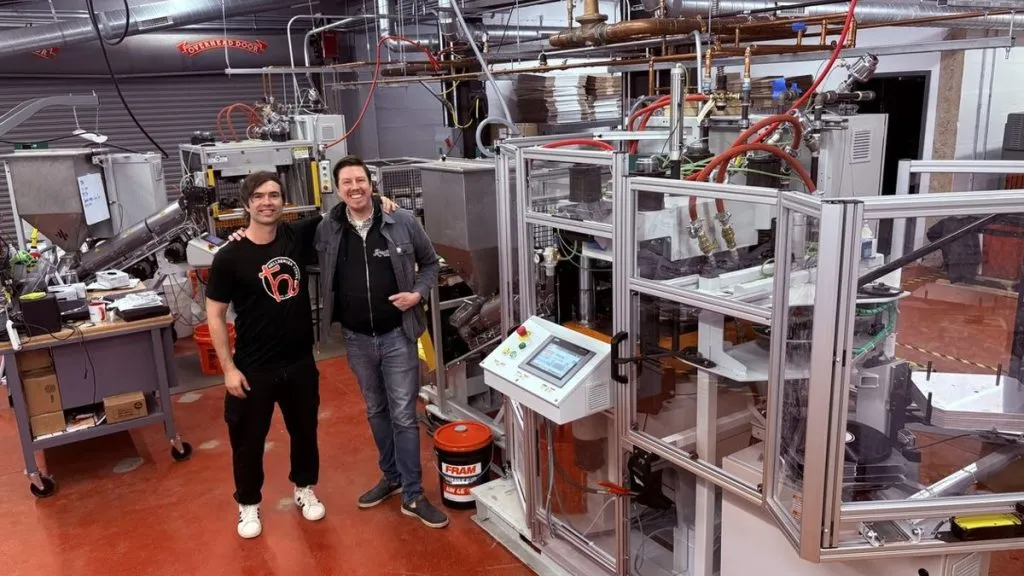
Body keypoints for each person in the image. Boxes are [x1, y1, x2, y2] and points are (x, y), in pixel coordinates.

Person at [314, 155, 448, 529]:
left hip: (398, 335)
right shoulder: (329, 228)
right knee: (376, 409)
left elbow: (431, 264)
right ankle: (390, 476)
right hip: (356, 340)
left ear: (371, 183)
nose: (354, 187)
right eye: (347, 183)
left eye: (360, 180)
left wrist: (416, 295)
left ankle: (413, 493)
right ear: (337, 189)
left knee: (404, 413)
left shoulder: (401, 221)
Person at [205, 171, 327, 540]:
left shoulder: (296, 235)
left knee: (304, 431)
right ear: (246, 204)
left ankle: (304, 488)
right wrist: (228, 369)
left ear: (284, 202)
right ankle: (248, 504)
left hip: (299, 361)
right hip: (253, 366)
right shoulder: (229, 256)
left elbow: (344, 212)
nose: (267, 202)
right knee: (248, 440)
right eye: (259, 196)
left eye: (274, 195)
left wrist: (383, 202)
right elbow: (214, 315)